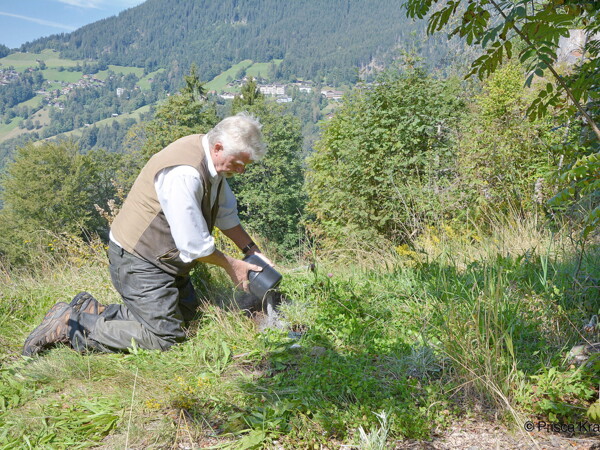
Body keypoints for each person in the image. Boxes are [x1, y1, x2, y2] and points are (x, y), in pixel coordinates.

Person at [23, 112, 272, 356]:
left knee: (188, 317)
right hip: (139, 260)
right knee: (165, 338)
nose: (241, 171)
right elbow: (194, 245)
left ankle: (94, 310)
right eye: (239, 164)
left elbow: (224, 214)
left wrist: (252, 252)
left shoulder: (212, 160)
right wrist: (232, 266)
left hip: (162, 259)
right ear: (218, 147)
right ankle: (71, 325)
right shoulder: (185, 173)